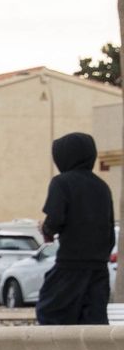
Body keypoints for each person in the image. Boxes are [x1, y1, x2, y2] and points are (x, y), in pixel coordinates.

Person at [37, 132, 116, 326]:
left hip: (70, 266)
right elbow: (108, 225)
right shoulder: (102, 186)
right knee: (93, 324)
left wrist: (46, 229)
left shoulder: (61, 183)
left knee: (50, 314)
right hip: (98, 267)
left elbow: (55, 219)